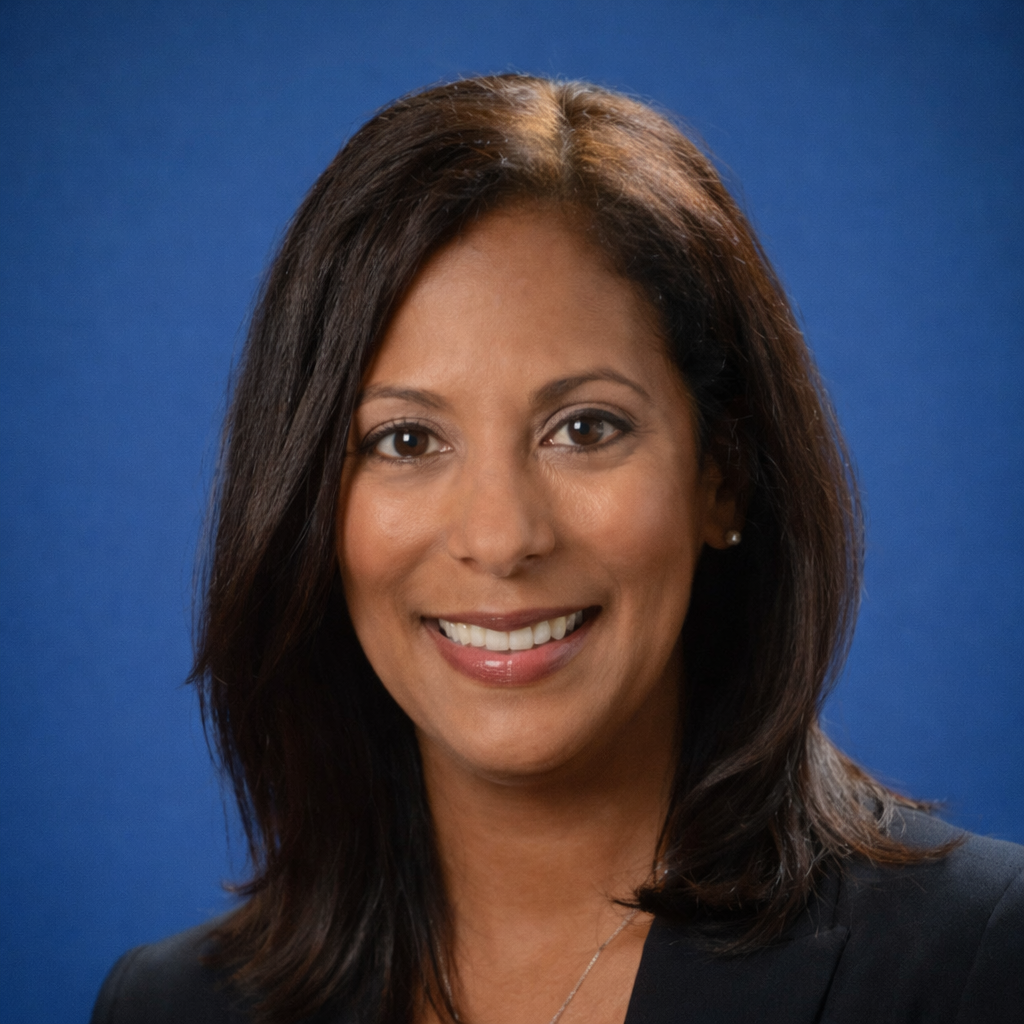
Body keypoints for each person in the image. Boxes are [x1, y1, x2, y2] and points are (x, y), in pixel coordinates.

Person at [91, 75, 1022, 1024]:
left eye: (584, 428)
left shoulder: (981, 964)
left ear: (723, 474)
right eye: (406, 440)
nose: (500, 538)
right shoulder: (168, 1006)